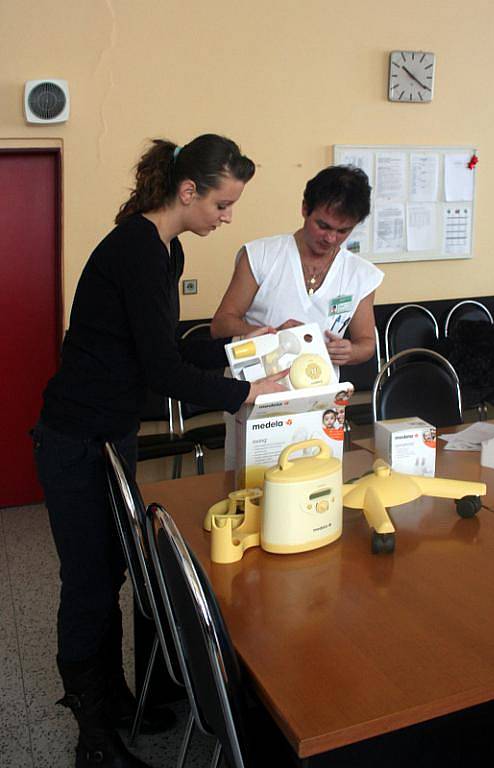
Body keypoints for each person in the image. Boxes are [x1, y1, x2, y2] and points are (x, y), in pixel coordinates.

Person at [32, 134, 287, 768]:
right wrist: (244, 392)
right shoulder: (137, 249)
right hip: (73, 435)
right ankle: (93, 734)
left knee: (113, 569)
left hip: (108, 430)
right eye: (222, 205)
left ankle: (117, 700)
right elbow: (162, 373)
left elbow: (168, 348)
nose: (227, 218)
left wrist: (245, 345)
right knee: (88, 583)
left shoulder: (163, 250)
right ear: (187, 190)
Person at [210, 164, 384, 468]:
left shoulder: (359, 275)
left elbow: (367, 343)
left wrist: (350, 351)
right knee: (251, 487)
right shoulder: (262, 256)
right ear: (304, 209)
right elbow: (221, 325)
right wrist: (274, 335)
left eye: (343, 231)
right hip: (256, 398)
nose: (331, 238)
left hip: (319, 404)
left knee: (314, 485)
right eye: (323, 225)